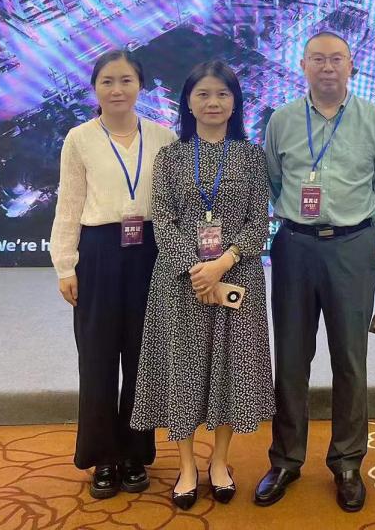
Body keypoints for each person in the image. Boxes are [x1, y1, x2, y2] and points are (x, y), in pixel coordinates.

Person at [256, 31, 375, 513]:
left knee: (350, 359)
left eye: (337, 59)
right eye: (318, 58)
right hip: (295, 247)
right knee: (291, 357)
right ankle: (286, 459)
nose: (328, 67)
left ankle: (348, 462)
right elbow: (274, 180)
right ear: (303, 65)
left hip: (352, 248)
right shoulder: (282, 120)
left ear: (351, 65)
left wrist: (353, 225)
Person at [130, 60, 274, 510]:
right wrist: (196, 269)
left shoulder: (251, 157)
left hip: (237, 278)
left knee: (231, 370)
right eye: (203, 94)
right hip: (181, 282)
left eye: (222, 94)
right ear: (188, 103)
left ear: (235, 103)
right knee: (184, 370)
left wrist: (222, 263)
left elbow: (259, 222)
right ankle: (188, 465)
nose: (213, 103)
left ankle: (221, 462)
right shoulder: (170, 157)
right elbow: (163, 221)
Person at [50, 49, 176, 499]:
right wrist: (65, 264)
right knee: (98, 358)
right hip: (99, 252)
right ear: (95, 88)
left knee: (143, 360)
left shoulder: (163, 137)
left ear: (140, 85)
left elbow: (176, 203)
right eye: (107, 81)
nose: (117, 89)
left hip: (150, 253)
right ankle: (103, 456)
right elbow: (68, 203)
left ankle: (135, 453)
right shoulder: (79, 139)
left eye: (126, 80)